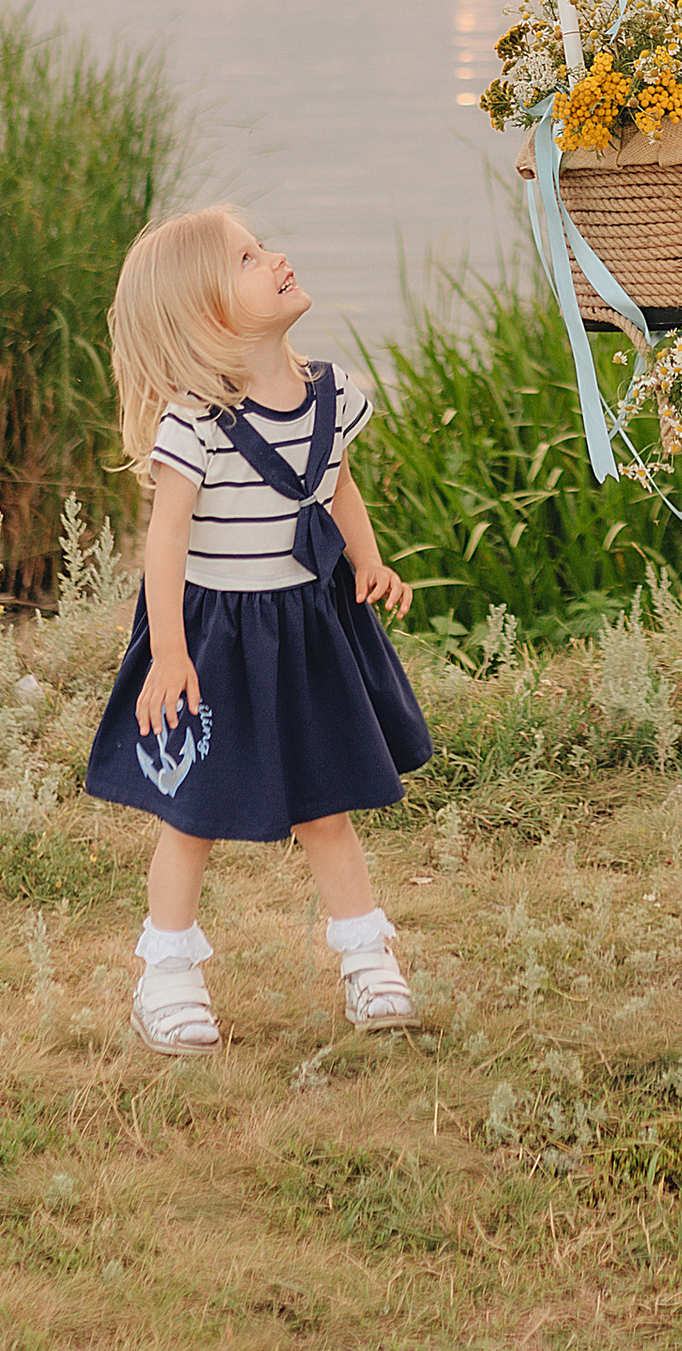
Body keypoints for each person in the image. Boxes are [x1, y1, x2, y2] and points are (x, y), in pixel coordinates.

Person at [83, 205, 433, 1052]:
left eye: (262, 246)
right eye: (247, 258)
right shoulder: (196, 421)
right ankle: (167, 974)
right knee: (191, 811)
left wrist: (369, 560)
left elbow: (335, 485)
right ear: (211, 315)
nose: (276, 257)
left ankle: (366, 957)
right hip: (215, 639)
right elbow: (165, 539)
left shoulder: (334, 394)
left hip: (308, 629)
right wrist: (167, 652)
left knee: (327, 804)